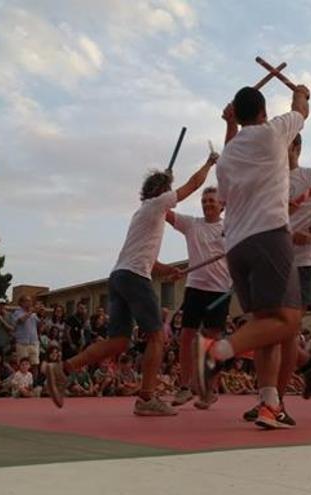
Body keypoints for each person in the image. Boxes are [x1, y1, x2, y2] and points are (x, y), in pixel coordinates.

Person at [46, 151, 218, 416]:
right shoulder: (157, 205)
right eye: (168, 191)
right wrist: (209, 163)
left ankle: (62, 369)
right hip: (134, 277)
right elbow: (193, 185)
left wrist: (167, 270)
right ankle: (146, 397)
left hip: (121, 276)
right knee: (157, 337)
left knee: (117, 342)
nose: (171, 197)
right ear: (162, 192)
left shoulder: (144, 214)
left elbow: (146, 258)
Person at [195, 83, 310, 430]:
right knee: (289, 321)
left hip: (237, 248)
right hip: (269, 237)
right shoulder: (275, 132)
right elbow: (301, 111)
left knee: (266, 327)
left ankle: (268, 403)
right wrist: (302, 93)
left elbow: (227, 193)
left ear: (238, 115)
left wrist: (229, 125)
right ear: (262, 112)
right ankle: (217, 353)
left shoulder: (227, 158)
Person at [243, 133, 311, 425]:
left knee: (284, 332)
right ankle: (279, 388)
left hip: (305, 263)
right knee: (269, 331)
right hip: (274, 265)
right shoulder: (268, 184)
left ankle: (278, 403)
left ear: (297, 147)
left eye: (285, 144)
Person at [165, 186, 232, 409]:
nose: (207, 204)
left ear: (222, 205)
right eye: (204, 201)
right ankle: (184, 387)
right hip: (194, 288)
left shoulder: (231, 227)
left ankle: (209, 391)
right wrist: (162, 193)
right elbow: (164, 212)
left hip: (220, 290)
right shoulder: (192, 224)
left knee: (212, 341)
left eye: (212, 201)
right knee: (186, 337)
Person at [11, 296, 40, 366]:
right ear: (21, 303)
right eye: (27, 301)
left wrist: (41, 315)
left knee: (35, 364)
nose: (30, 303)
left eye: (30, 301)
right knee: (23, 365)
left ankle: (34, 377)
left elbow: (39, 325)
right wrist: (31, 312)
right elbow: (21, 320)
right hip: (22, 344)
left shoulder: (34, 314)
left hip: (33, 342)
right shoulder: (17, 313)